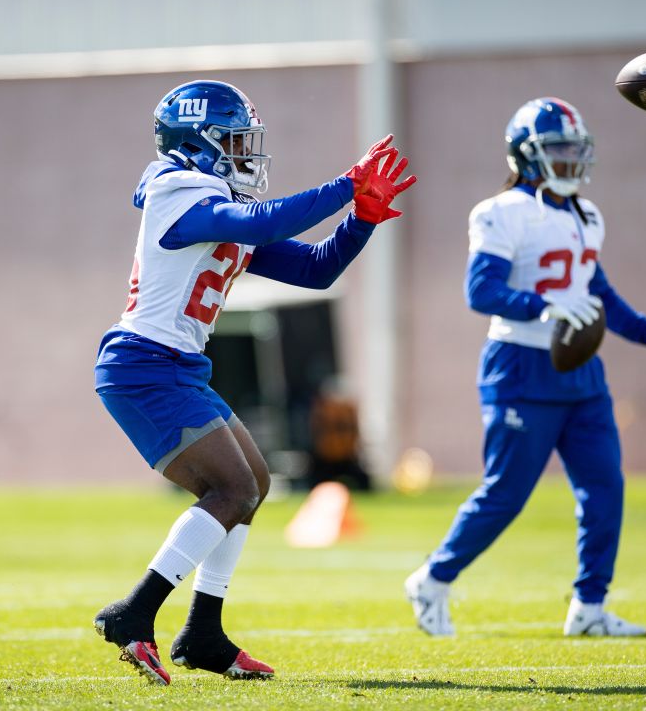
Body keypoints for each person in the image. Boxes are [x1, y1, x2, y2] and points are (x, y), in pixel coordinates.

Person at [93, 79, 415, 685]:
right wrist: (346, 186)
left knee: (254, 483)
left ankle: (203, 633)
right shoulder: (175, 189)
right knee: (234, 488)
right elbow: (262, 224)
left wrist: (363, 219)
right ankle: (134, 614)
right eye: (236, 141)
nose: (248, 153)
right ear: (198, 143)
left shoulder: (217, 199)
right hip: (142, 365)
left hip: (177, 366)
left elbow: (316, 269)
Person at [403, 98, 646, 638]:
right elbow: (481, 290)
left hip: (581, 373)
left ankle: (589, 607)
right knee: (506, 492)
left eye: (574, 148)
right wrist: (543, 305)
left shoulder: (587, 215)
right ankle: (433, 578)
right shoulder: (501, 211)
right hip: (519, 365)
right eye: (557, 149)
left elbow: (597, 292)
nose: (569, 159)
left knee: (605, 486)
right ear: (526, 154)